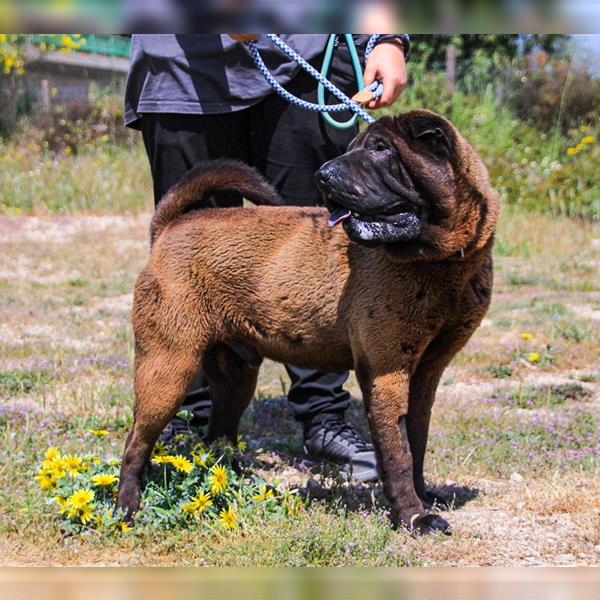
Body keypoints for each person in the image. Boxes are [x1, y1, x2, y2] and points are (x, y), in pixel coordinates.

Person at [124, 33, 408, 482]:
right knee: (190, 263)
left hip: (307, 59)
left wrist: (386, 39)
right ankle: (189, 422)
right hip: (182, 69)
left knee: (326, 249)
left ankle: (324, 416)